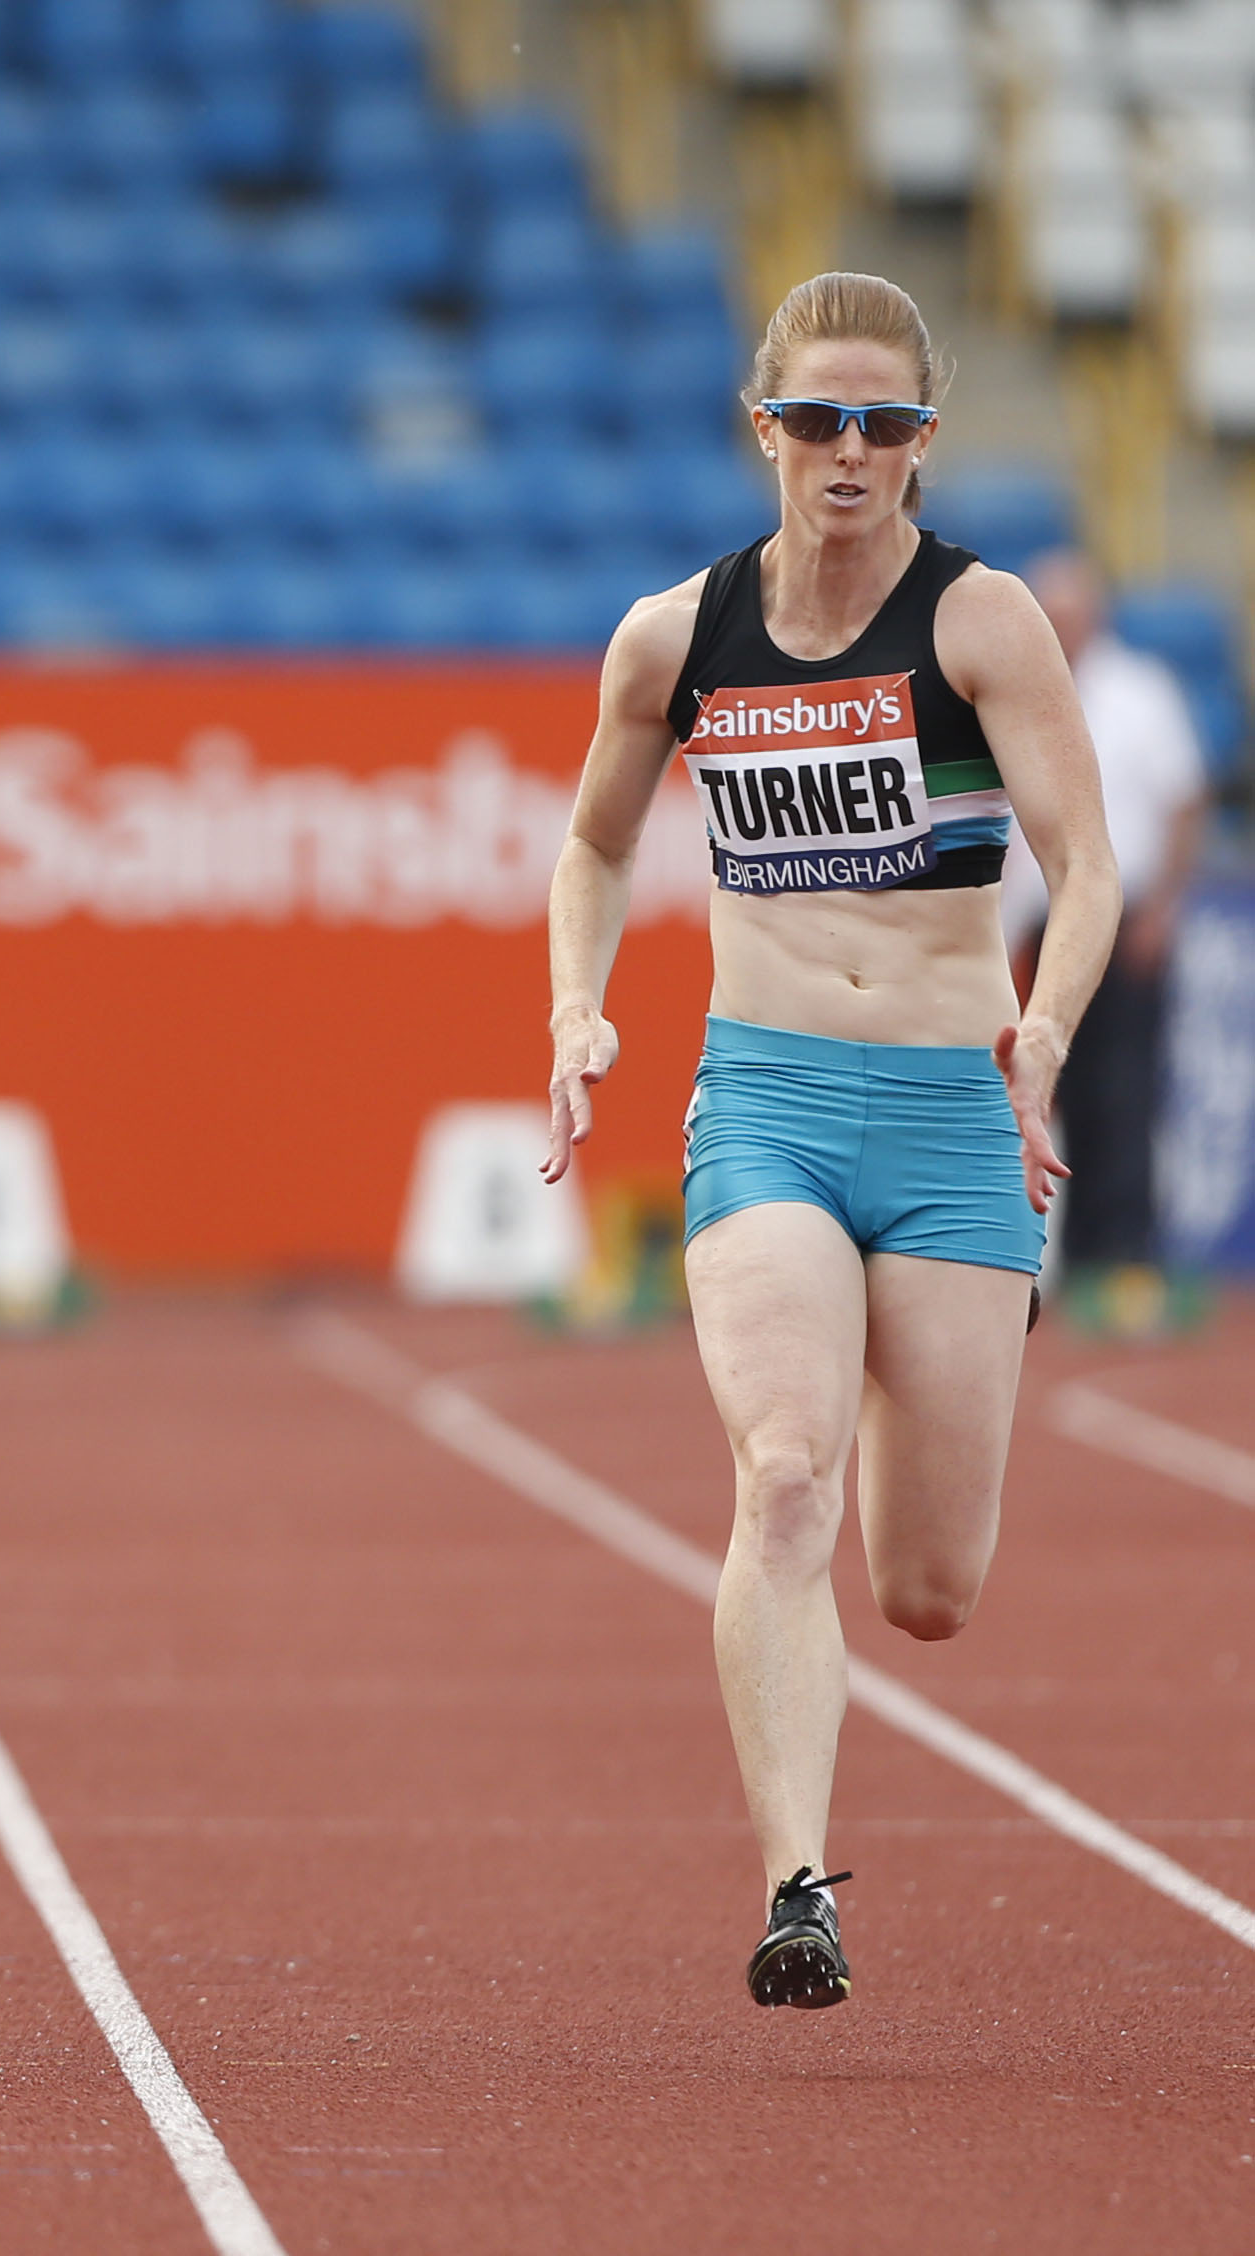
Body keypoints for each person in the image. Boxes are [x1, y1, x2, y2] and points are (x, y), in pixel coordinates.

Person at [541, 273, 1115, 2011]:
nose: (847, 452)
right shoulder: (675, 636)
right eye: (816, 419)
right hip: (769, 1097)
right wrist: (578, 1007)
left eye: (880, 423)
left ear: (923, 443)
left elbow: (1083, 869)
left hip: (951, 1108)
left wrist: (1044, 1038)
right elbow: (589, 848)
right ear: (763, 429)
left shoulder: (983, 623)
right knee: (781, 1468)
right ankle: (799, 1882)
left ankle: (928, 1332)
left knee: (930, 1586)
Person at [1001, 549, 1214, 1318]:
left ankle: (1120, 1257)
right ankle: (1045, 1261)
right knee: (1035, 1086)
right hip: (1036, 920)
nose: (1059, 625)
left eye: (1068, 611)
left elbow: (1185, 804)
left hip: (1125, 918)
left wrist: (1165, 909)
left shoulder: (1140, 693)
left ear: (1095, 613)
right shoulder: (1014, 690)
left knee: (1121, 1091)